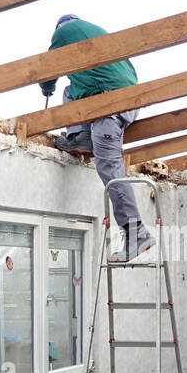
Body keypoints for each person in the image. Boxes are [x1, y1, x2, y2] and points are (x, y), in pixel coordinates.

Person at [39, 14, 155, 262]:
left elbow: (48, 68)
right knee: (71, 90)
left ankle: (137, 232)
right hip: (125, 99)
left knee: (109, 166)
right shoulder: (96, 32)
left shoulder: (64, 31)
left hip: (107, 103)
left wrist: (47, 87)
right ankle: (81, 137)